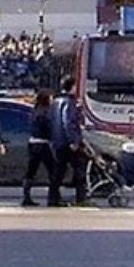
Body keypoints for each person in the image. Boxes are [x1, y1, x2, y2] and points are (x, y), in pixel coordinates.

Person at [51, 75, 87, 207]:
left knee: (59, 171)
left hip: (57, 141)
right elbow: (69, 122)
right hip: (68, 142)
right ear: (72, 87)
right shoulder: (69, 102)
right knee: (79, 169)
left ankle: (53, 198)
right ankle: (81, 198)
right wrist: (74, 141)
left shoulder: (56, 101)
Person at [21, 89, 56, 207]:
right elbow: (48, 129)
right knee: (53, 171)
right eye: (50, 98)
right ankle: (54, 198)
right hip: (43, 144)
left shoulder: (35, 111)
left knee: (31, 171)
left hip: (33, 143)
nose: (52, 100)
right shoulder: (45, 112)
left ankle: (26, 197)